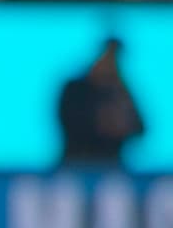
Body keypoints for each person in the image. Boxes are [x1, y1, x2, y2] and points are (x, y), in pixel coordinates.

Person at [58, 37, 144, 166]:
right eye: (108, 54)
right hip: (75, 165)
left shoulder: (119, 90)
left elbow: (140, 128)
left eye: (115, 57)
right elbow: (73, 124)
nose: (111, 62)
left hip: (112, 168)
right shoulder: (75, 89)